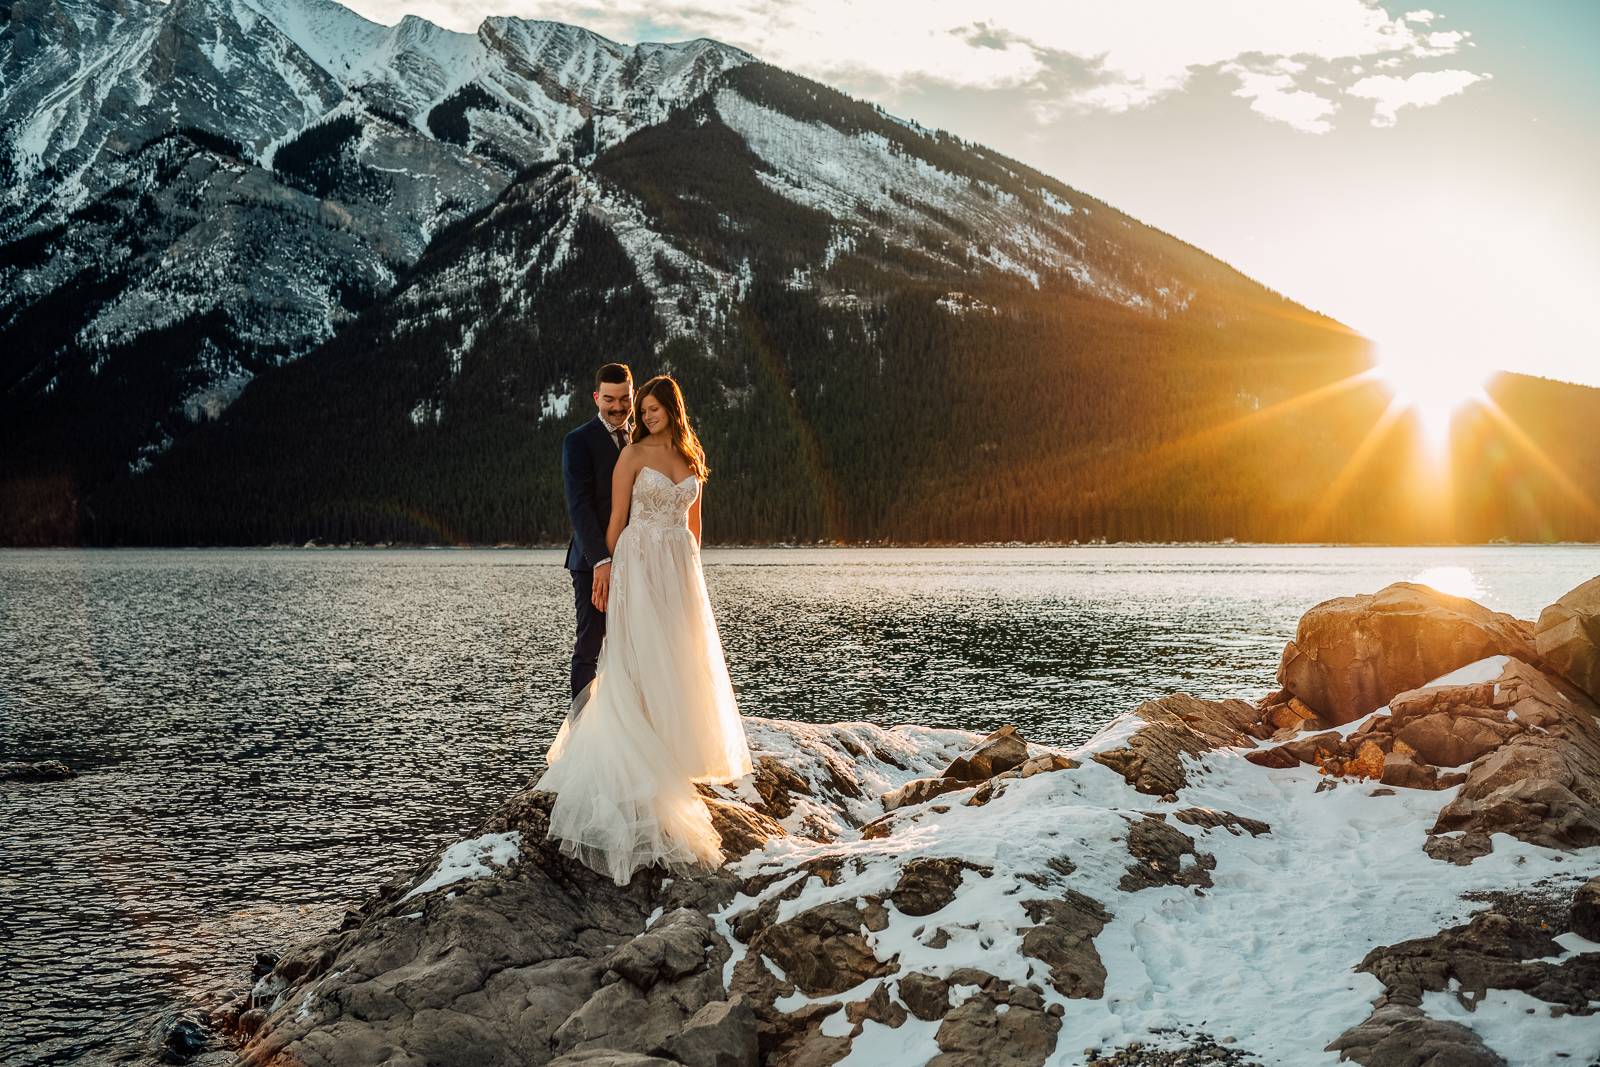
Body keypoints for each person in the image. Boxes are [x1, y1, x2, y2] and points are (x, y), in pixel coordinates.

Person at [538, 374, 753, 885]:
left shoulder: (688, 455)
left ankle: (669, 748)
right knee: (612, 651)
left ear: (670, 410)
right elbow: (607, 515)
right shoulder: (624, 453)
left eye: (651, 408)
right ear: (599, 399)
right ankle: (595, 745)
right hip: (627, 559)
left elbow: (694, 523)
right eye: (643, 408)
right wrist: (603, 566)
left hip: (676, 566)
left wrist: (692, 572)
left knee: (677, 656)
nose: (644, 414)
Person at [561, 363, 634, 700]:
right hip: (592, 563)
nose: (617, 406)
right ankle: (581, 731)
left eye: (624, 398)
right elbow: (580, 507)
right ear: (596, 398)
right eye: (609, 399)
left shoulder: (643, 438)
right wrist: (601, 561)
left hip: (636, 559)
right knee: (589, 644)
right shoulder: (578, 441)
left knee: (635, 643)